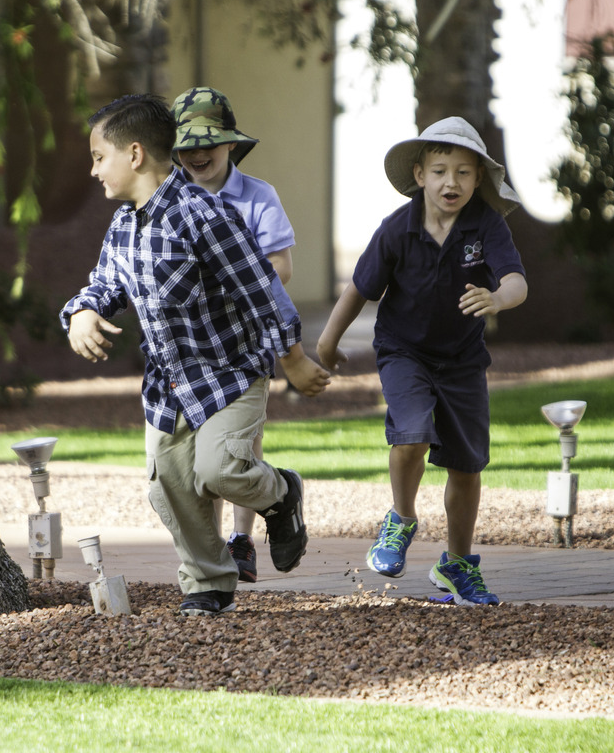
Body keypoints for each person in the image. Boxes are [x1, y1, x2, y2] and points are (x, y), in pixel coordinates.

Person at [60, 94, 330, 616]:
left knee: (219, 470)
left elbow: (261, 288)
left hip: (231, 372)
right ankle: (209, 582)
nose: (93, 170)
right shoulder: (123, 225)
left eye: (99, 157)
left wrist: (293, 358)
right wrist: (83, 312)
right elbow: (105, 283)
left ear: (134, 154)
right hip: (169, 386)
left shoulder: (203, 214)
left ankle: (281, 495)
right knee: (170, 485)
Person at [316, 116, 528, 606]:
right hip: (403, 351)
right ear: (419, 175)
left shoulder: (485, 224)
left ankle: (457, 564)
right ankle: (401, 519)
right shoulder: (398, 228)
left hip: (463, 361)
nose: (451, 182)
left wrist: (497, 299)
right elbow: (360, 289)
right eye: (439, 171)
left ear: (478, 178)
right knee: (411, 432)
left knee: (467, 466)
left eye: (463, 172)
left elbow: (517, 281)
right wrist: (327, 341)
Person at [170, 86, 300, 584]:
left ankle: (241, 538)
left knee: (239, 446)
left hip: (245, 343)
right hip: (189, 348)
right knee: (197, 455)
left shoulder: (258, 196)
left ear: (230, 144)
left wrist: (229, 283)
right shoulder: (168, 199)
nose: (198, 154)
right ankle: (211, 548)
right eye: (187, 145)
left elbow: (281, 266)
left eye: (209, 142)